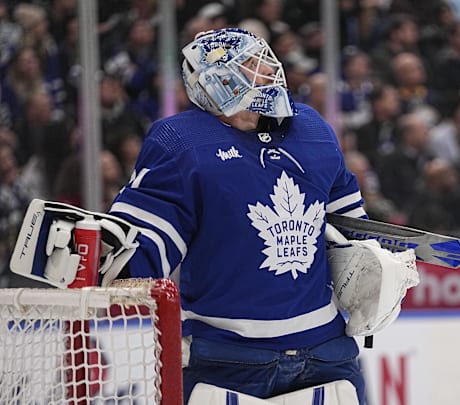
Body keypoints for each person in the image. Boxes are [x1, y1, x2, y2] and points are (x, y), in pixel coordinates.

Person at [12, 28, 418, 404]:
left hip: (327, 354)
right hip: (232, 362)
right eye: (250, 67)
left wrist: (374, 259)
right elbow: (145, 249)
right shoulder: (181, 142)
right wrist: (96, 254)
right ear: (217, 82)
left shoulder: (310, 126)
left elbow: (349, 220)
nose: (266, 73)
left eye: (264, 62)